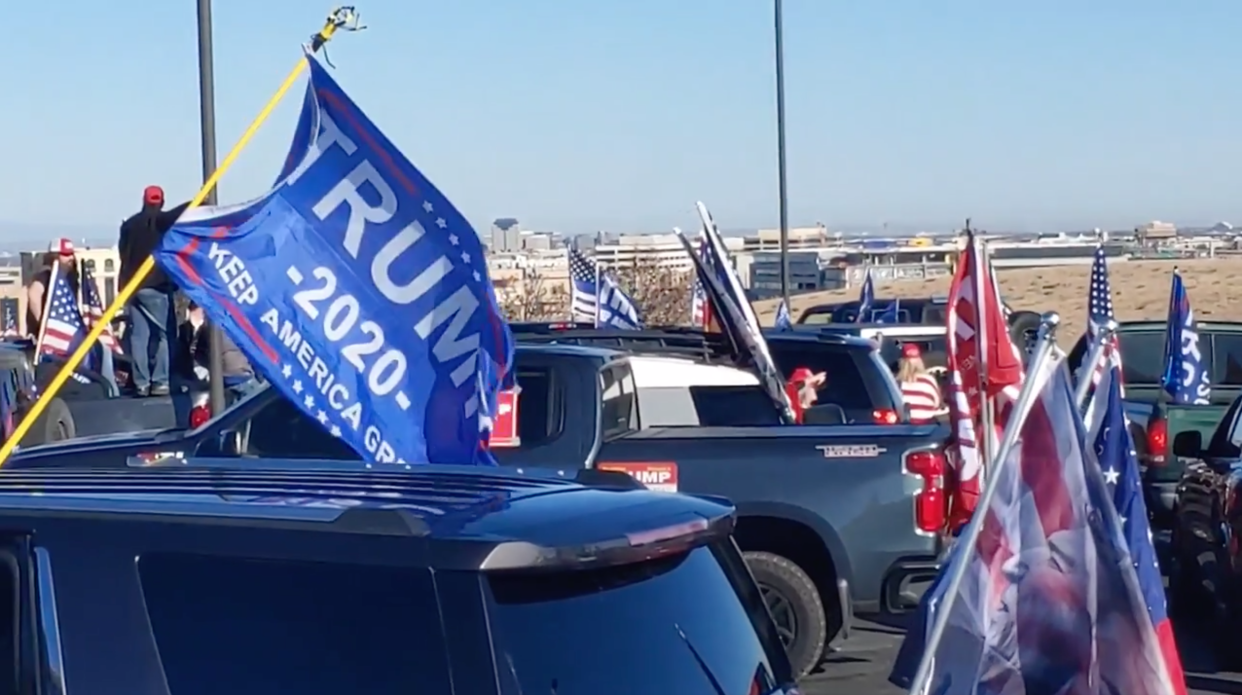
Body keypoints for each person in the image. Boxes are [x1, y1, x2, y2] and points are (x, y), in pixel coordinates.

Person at [118, 185, 188, 396]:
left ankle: (141, 383)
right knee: (164, 335)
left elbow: (123, 253)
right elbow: (180, 213)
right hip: (156, 287)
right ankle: (160, 381)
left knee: (139, 336)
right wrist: (200, 200)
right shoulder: (162, 222)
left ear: (144, 200)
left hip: (132, 287)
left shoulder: (129, 225)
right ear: (161, 202)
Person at [176, 301, 259, 405]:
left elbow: (196, 352)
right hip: (244, 375)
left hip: (224, 378)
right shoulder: (239, 320)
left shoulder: (209, 324)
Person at [26, 239, 80, 340]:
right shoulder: (47, 273)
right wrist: (43, 323)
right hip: (45, 339)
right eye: (66, 255)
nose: (71, 258)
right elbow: (33, 293)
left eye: (71, 254)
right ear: (54, 257)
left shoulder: (70, 277)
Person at [896, 343, 943, 423]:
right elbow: (937, 404)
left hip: (905, 424)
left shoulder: (897, 383)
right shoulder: (929, 380)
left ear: (901, 362)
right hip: (926, 424)